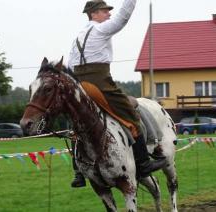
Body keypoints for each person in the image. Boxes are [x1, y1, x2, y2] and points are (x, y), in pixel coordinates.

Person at [68, 0, 167, 187]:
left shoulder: (78, 37)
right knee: (130, 112)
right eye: (105, 11)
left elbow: (69, 65)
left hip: (79, 85)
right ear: (94, 14)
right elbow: (123, 17)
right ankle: (144, 163)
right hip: (99, 83)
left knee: (79, 124)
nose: (108, 14)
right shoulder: (101, 29)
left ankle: (78, 172)